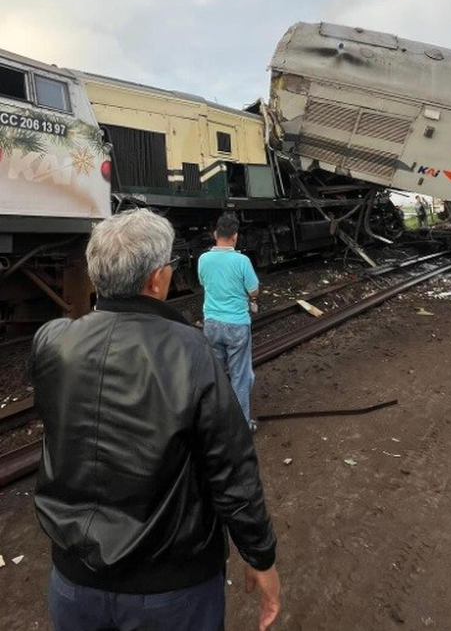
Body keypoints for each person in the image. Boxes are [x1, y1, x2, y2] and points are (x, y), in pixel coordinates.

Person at [30, 209, 280, 631]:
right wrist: (260, 556)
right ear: (156, 279)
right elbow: (232, 469)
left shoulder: (51, 341)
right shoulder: (190, 351)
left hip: (72, 581)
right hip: (171, 587)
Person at [198, 213, 259, 432]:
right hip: (237, 325)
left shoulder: (203, 259)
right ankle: (241, 426)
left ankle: (215, 422)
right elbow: (254, 290)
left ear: (215, 234)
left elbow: (204, 283)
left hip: (211, 324)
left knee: (216, 375)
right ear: (235, 236)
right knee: (241, 376)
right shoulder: (242, 261)